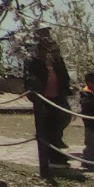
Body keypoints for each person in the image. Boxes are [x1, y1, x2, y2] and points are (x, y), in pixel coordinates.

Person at [25, 27, 73, 163]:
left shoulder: (56, 59)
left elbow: (63, 75)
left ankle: (56, 151)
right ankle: (51, 156)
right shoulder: (33, 60)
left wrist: (67, 89)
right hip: (43, 98)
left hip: (57, 97)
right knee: (47, 127)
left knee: (61, 121)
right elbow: (29, 78)